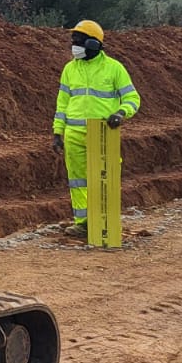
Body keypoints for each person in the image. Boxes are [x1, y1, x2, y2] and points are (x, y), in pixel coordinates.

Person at [53, 19, 141, 233]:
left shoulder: (114, 68)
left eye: (78, 40)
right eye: (73, 40)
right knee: (78, 181)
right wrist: (57, 132)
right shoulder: (69, 69)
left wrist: (121, 113)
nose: (73, 45)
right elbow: (62, 103)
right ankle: (83, 224)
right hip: (74, 134)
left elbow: (132, 98)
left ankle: (105, 225)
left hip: (102, 132)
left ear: (93, 44)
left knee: (104, 178)